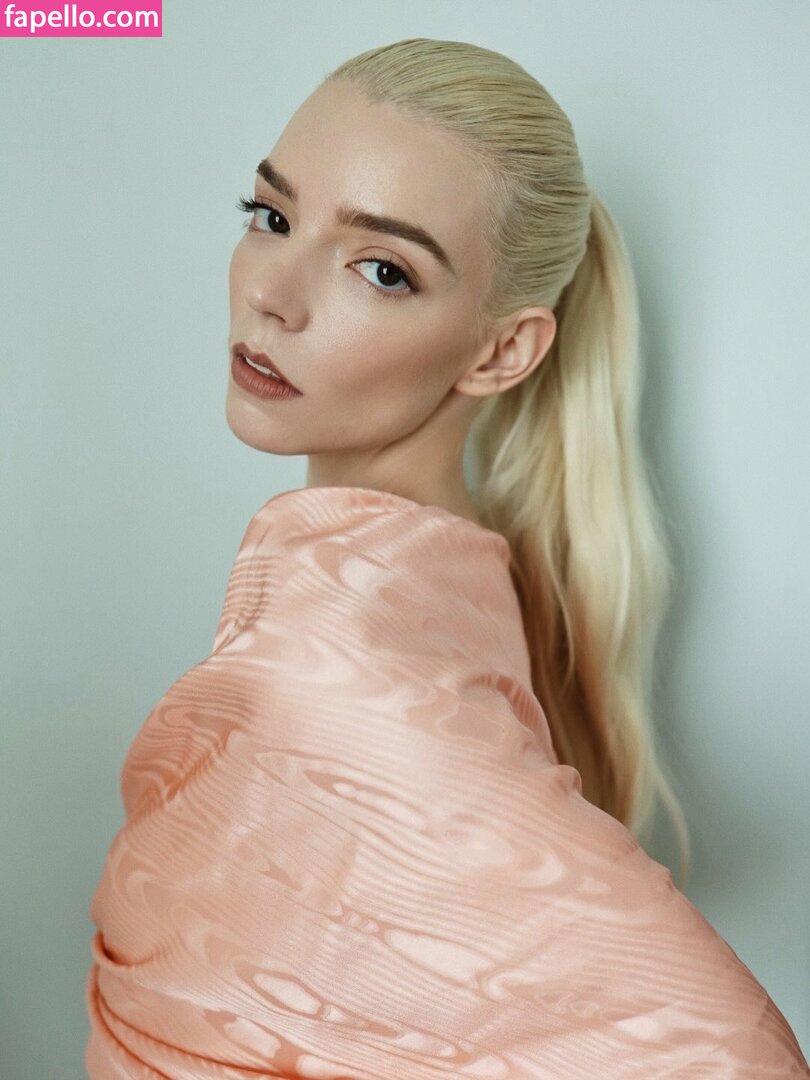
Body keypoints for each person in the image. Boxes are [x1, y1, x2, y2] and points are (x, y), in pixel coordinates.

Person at [85, 37, 808, 1079]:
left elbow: (726, 1052)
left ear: (503, 351)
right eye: (271, 217)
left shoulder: (339, 666)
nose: (272, 294)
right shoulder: (441, 586)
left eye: (381, 270)